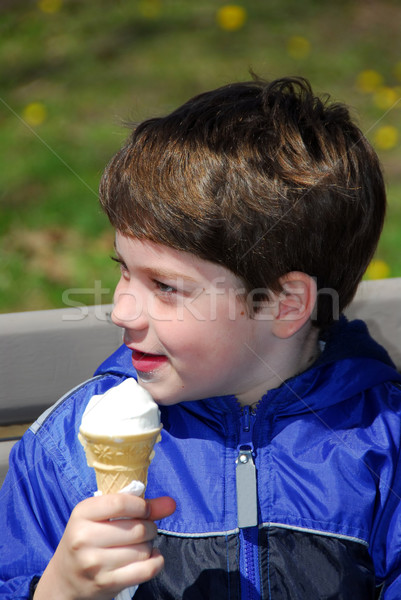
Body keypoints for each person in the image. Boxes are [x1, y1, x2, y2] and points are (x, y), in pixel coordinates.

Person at [1, 75, 401, 600]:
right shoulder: (65, 449)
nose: (121, 309)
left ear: (286, 305)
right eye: (124, 269)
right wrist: (61, 592)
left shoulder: (383, 444)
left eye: (165, 286)